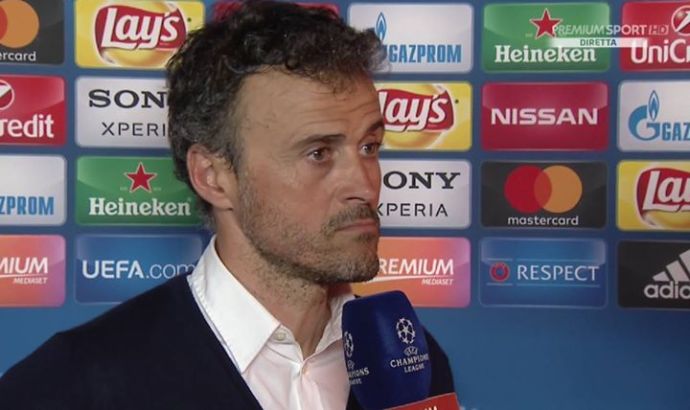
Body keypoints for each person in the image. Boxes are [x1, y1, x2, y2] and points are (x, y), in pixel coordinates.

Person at [0, 1, 454, 408]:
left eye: (369, 147)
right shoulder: (73, 385)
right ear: (213, 177)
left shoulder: (410, 359)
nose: (365, 185)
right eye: (319, 153)